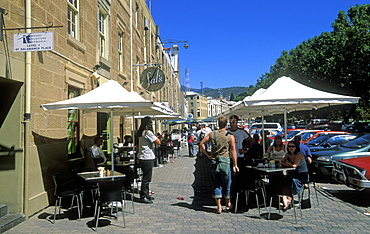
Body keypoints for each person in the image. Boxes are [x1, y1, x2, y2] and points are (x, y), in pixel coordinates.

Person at [200, 116, 239, 214]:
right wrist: (235, 164)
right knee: (227, 183)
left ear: (218, 124)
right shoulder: (230, 136)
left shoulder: (212, 134)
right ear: (226, 124)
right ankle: (228, 204)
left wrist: (208, 155)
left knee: (216, 183)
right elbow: (233, 151)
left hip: (214, 161)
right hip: (225, 161)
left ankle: (219, 207)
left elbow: (201, 144)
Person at [227, 115, 250, 211]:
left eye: (234, 122)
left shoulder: (241, 132)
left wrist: (245, 149)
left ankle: (240, 199)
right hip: (229, 158)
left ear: (237, 122)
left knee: (240, 178)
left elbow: (251, 140)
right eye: (231, 122)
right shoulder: (226, 132)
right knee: (230, 179)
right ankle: (230, 198)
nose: (232, 124)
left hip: (239, 158)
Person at [136, 116, 161, 204]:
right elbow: (158, 142)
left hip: (142, 156)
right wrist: (158, 137)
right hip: (147, 157)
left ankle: (146, 194)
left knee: (145, 177)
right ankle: (143, 196)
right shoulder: (148, 132)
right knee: (147, 178)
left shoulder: (140, 132)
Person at [280, 141, 309, 210]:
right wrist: (288, 164)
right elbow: (282, 162)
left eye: (293, 146)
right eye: (289, 146)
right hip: (294, 174)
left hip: (302, 175)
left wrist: (287, 164)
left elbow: (294, 165)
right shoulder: (288, 154)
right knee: (284, 181)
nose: (291, 148)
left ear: (296, 147)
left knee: (290, 182)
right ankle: (286, 201)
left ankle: (287, 201)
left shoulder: (299, 155)